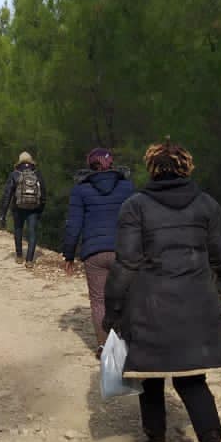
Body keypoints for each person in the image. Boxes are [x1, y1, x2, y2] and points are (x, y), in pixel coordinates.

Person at [103, 140, 221, 442]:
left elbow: (126, 263)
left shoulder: (135, 207)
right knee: (192, 379)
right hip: (196, 303)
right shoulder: (206, 205)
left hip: (150, 305)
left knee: (150, 375)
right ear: (186, 167)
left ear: (152, 169)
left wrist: (113, 308)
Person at [63, 147, 134, 356]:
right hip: (123, 251)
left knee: (99, 300)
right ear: (111, 163)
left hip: (94, 253)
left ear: (90, 165)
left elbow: (73, 224)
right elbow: (137, 219)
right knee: (126, 297)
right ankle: (127, 344)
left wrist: (69, 254)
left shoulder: (81, 189)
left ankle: (105, 346)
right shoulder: (127, 187)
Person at [0, 151, 46, 267]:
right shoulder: (37, 173)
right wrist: (40, 210)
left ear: (19, 161)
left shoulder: (14, 174)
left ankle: (19, 256)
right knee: (32, 232)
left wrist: (3, 214)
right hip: (34, 208)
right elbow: (44, 194)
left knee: (18, 230)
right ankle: (30, 260)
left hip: (18, 207)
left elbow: (7, 194)